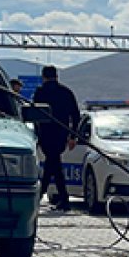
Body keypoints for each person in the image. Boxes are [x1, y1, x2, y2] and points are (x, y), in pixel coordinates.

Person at [30, 65, 79, 211]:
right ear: (56, 76)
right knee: (54, 162)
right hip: (61, 133)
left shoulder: (40, 92)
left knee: (53, 162)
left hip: (45, 133)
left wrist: (35, 132)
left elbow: (34, 114)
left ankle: (44, 195)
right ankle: (61, 198)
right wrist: (73, 135)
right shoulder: (66, 92)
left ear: (43, 77)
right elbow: (75, 115)